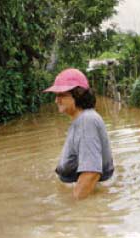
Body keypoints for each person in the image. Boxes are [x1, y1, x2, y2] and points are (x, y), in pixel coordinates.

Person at [43, 68, 114, 200]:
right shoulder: (82, 119)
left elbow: (91, 173)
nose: (56, 100)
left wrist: (73, 209)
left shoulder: (86, 121)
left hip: (90, 195)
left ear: (78, 94)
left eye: (61, 95)